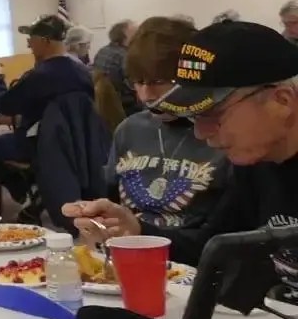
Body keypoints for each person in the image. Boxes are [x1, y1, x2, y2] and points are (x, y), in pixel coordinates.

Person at [65, 21, 298, 270]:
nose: (200, 132)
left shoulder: (252, 158)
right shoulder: (255, 164)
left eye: (213, 114)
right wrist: (136, 230)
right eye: (195, 117)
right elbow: (212, 248)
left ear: (281, 102)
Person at [104, 17, 230, 229]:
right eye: (139, 82)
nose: (146, 95)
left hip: (196, 254)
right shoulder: (129, 129)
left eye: (158, 82)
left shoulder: (222, 132)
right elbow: (111, 196)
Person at [0, 15, 94, 198]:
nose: (29, 44)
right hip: (79, 144)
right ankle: (39, 187)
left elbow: (5, 106)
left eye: (31, 39)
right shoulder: (83, 72)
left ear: (44, 41)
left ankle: (25, 190)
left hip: (37, 144)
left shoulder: (39, 76)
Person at [92, 20, 139, 115]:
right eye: (135, 32)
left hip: (101, 104)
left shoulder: (102, 51)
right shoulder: (125, 56)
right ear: (125, 37)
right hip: (124, 106)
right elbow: (135, 85)